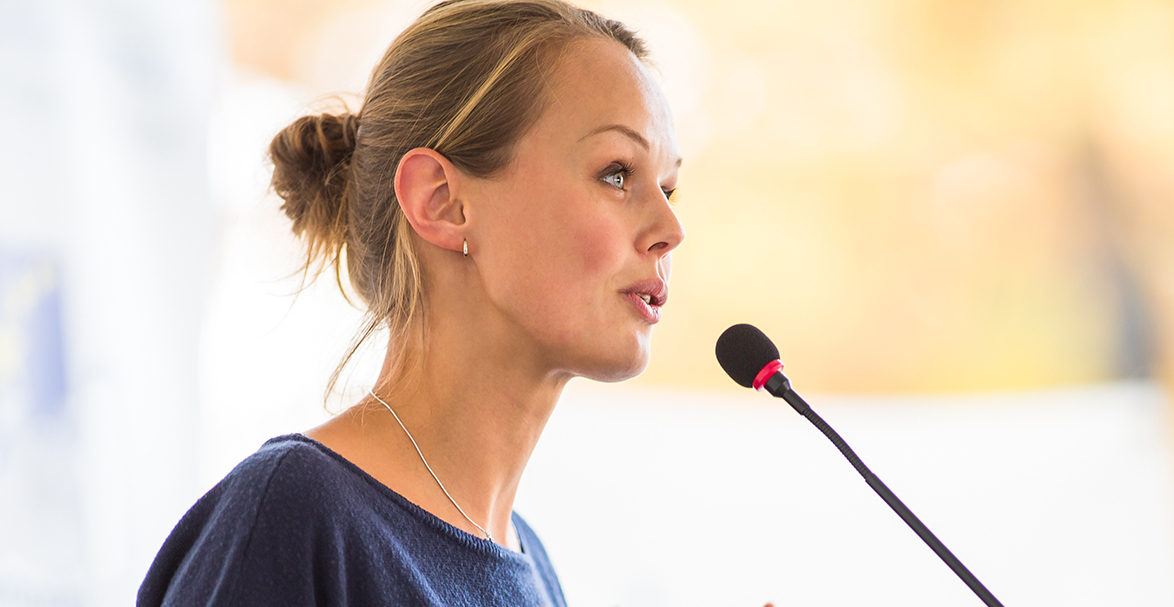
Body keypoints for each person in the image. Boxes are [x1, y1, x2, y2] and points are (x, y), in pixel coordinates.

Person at [137, 0, 683, 604]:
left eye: (668, 188)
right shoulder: (292, 516)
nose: (669, 228)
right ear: (442, 201)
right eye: (616, 173)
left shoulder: (532, 565)